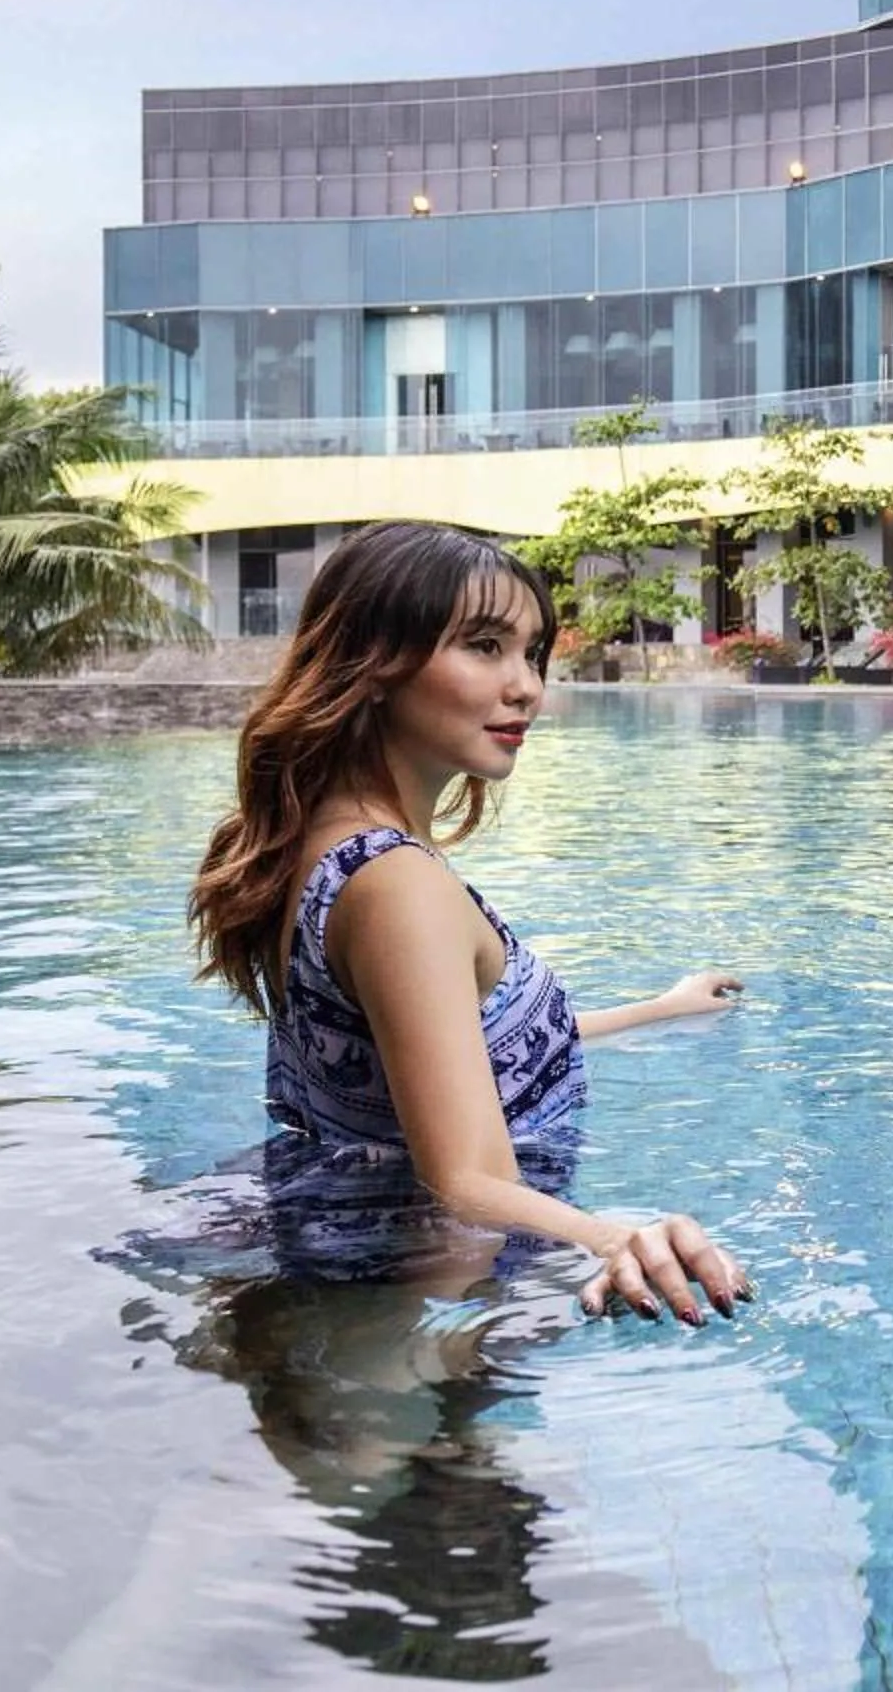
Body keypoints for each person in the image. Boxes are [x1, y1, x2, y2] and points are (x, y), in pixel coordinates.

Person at [189, 518, 749, 1325]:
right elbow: (462, 1184)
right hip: (432, 1308)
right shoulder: (396, 884)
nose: (526, 687)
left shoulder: (320, 844)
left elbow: (458, 1053)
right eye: (484, 646)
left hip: (355, 1272)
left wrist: (662, 1009)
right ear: (374, 662)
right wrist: (615, 1239)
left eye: (532, 652)